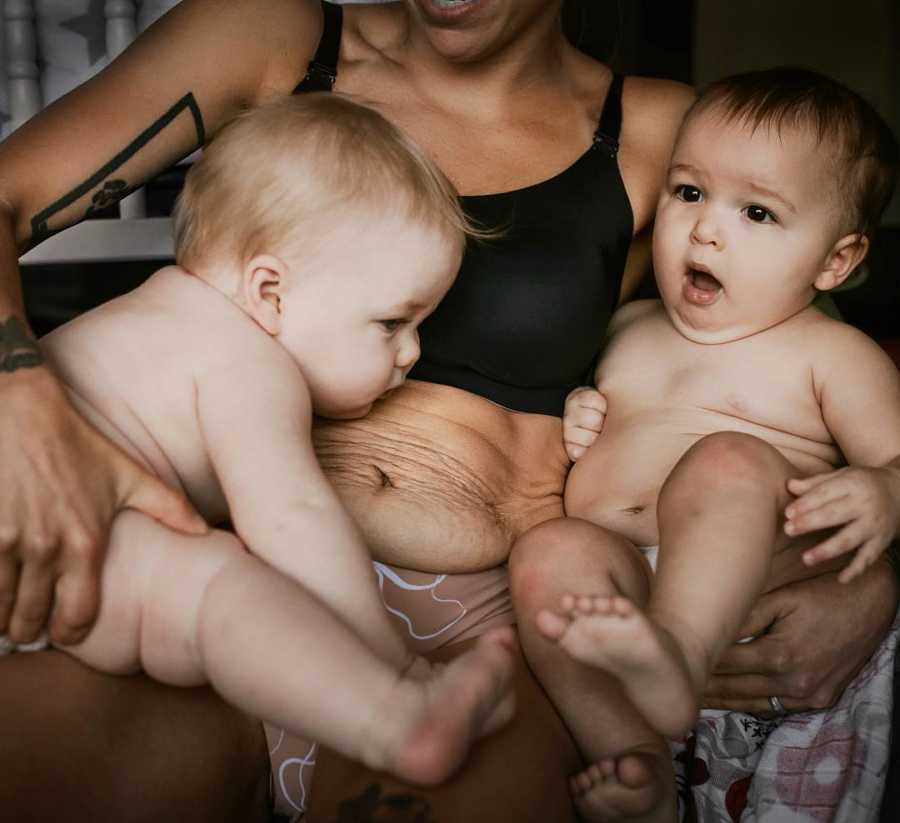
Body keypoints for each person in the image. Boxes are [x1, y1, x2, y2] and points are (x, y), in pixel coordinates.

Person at [0, 2, 896, 821]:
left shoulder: (665, 132)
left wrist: (876, 591)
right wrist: (24, 399)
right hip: (222, 591)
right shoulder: (273, 32)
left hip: (480, 636)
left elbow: (785, 363)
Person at [3, 90, 520, 786]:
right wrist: (392, 662)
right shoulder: (247, 362)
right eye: (392, 322)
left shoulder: (162, 315)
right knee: (214, 588)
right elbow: (291, 519)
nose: (411, 353)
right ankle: (395, 717)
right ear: (269, 292)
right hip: (37, 510)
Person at [514, 67, 900, 821]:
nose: (708, 228)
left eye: (758, 211)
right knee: (546, 551)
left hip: (745, 602)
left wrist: (886, 487)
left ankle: (679, 655)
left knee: (729, 457)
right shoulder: (628, 327)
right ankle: (635, 757)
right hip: (620, 595)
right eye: (689, 192)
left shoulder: (831, 355)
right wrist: (585, 414)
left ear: (836, 261)